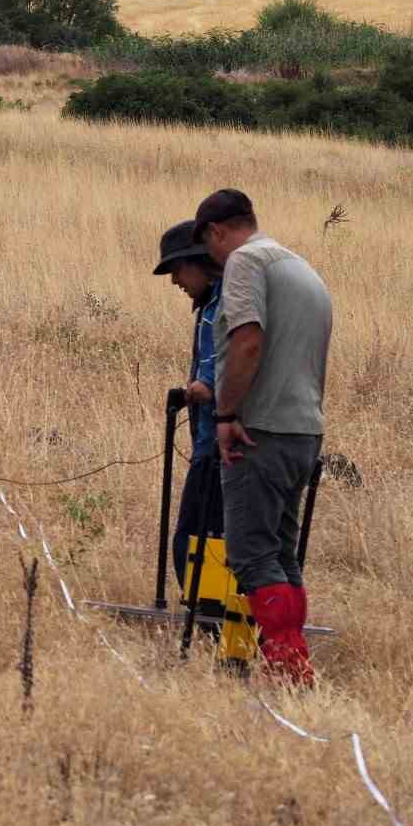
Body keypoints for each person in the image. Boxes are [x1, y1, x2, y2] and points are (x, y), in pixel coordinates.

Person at [194, 188, 331, 686]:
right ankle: (294, 666)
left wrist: (227, 413)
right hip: (303, 430)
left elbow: (247, 341)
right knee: (281, 554)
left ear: (217, 232)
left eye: (207, 246)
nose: (210, 258)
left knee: (251, 554)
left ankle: (290, 669)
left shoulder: (245, 264)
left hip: (261, 430)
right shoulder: (300, 267)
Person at [151, 219, 223, 590]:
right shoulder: (211, 304)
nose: (175, 281)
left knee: (196, 542)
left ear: (199, 264)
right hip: (212, 442)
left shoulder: (223, 305)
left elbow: (216, 379)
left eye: (177, 270)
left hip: (218, 445)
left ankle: (212, 622)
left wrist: (194, 391)